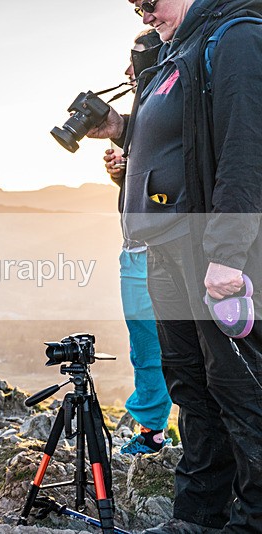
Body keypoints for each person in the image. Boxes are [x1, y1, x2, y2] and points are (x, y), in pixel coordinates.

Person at [89, 1, 262, 531]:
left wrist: (226, 254)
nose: (143, 15)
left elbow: (246, 148)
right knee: (191, 384)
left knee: (238, 388)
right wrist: (118, 128)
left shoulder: (236, 36)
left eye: (149, 2)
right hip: (166, 248)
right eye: (135, 6)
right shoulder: (177, 50)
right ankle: (200, 517)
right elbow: (173, 141)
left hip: (211, 251)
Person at [103, 29, 173, 456]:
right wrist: (122, 174)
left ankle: (204, 434)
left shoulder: (173, 102)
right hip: (134, 249)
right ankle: (153, 432)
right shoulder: (142, 111)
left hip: (166, 249)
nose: (128, 70)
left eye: (138, 59)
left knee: (185, 347)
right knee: (144, 348)